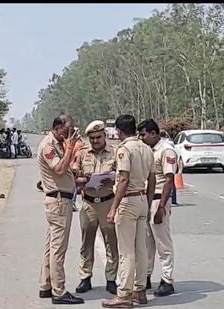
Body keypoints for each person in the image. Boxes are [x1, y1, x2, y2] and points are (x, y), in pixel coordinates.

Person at [102, 115, 156, 308]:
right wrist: (148, 204)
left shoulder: (125, 150)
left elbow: (123, 179)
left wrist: (113, 207)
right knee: (141, 248)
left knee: (126, 251)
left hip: (128, 200)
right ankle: (140, 290)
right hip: (142, 198)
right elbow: (153, 180)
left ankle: (124, 294)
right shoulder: (147, 149)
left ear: (119, 131)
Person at [37, 114, 85, 305]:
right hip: (58, 202)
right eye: (67, 131)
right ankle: (59, 291)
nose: (70, 134)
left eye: (72, 131)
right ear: (57, 128)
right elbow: (58, 169)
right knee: (59, 248)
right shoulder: (48, 145)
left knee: (50, 247)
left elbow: (66, 170)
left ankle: (46, 285)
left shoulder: (58, 144)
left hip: (60, 199)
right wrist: (71, 147)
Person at [71, 120, 119, 295]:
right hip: (88, 202)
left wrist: (112, 179)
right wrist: (84, 179)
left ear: (105, 135)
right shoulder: (83, 153)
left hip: (108, 201)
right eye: (92, 138)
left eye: (98, 137)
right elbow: (73, 177)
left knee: (111, 242)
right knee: (86, 242)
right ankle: (85, 278)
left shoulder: (115, 152)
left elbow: (123, 177)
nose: (95, 141)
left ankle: (112, 279)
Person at [138, 119, 177, 297]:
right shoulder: (147, 151)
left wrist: (161, 207)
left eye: (144, 134)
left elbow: (169, 179)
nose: (141, 137)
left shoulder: (166, 151)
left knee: (163, 243)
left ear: (154, 133)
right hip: (146, 200)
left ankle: (167, 280)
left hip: (158, 200)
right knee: (146, 243)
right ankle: (145, 276)